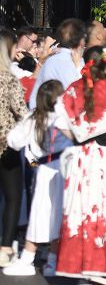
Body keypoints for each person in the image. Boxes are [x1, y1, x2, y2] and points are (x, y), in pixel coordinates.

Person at [55, 46, 106, 279]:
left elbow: (59, 121)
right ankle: (104, 266)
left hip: (80, 157)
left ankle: (80, 264)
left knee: (81, 209)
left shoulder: (72, 90)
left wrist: (80, 138)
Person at [3, 80, 73, 277]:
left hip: (45, 169)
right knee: (59, 215)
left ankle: (28, 258)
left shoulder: (36, 118)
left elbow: (14, 140)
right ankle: (53, 260)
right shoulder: (65, 115)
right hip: (65, 168)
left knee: (40, 214)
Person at [0, 38, 28, 268]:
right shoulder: (9, 80)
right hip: (5, 144)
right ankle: (6, 246)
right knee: (12, 196)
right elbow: (22, 111)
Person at [29, 17, 87, 108]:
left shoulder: (50, 61)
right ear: (81, 42)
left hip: (42, 115)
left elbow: (33, 100)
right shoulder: (78, 63)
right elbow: (80, 95)